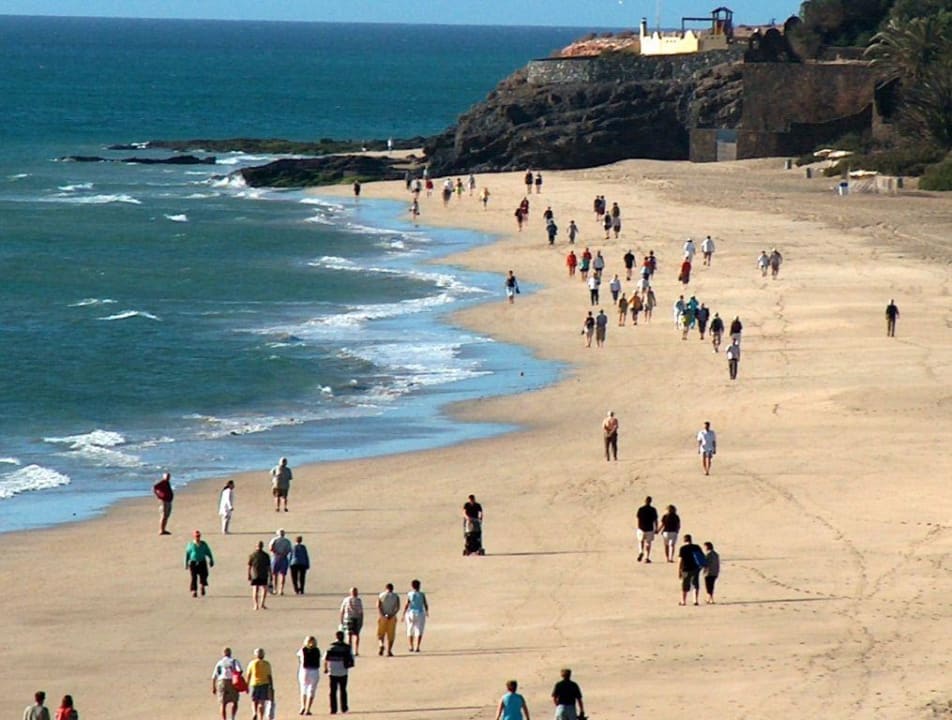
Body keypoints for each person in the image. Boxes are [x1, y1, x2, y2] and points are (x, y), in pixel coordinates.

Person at [324, 630, 355, 714]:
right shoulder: (347, 647)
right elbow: (351, 658)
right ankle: (344, 708)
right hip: (343, 671)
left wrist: (326, 668)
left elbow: (325, 659)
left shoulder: (331, 647)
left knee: (333, 691)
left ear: (336, 637)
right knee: (343, 690)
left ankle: (333, 709)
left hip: (332, 671)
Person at [212, 647, 242, 720]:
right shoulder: (234, 661)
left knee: (223, 703)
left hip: (221, 682)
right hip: (232, 681)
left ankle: (224, 718)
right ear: (230, 653)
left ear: (223, 654)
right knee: (235, 701)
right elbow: (240, 670)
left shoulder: (219, 662)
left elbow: (214, 676)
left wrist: (213, 687)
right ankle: (233, 717)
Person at [185, 529, 214, 598]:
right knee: (193, 577)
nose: (197, 537)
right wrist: (185, 563)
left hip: (202, 562)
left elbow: (208, 552)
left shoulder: (203, 544)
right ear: (194, 536)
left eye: (198, 536)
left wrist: (211, 559)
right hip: (193, 562)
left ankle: (202, 586)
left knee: (204, 575)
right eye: (196, 536)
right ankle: (194, 591)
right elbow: (187, 554)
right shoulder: (191, 545)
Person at [297, 636, 321, 716]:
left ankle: (302, 706)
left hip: (304, 670)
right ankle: (308, 709)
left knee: (303, 689)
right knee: (311, 690)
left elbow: (299, 658)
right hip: (314, 671)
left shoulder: (302, 650)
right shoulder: (317, 650)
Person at [402, 578, 429, 652]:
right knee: (419, 629)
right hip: (420, 612)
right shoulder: (422, 594)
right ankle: (417, 646)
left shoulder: (410, 594)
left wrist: (404, 613)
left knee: (410, 629)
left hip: (411, 612)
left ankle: (411, 646)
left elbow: (407, 603)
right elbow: (425, 603)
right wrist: (427, 611)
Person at [246, 648, 273, 720]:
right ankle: (261, 717)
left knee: (254, 700)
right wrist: (271, 686)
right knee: (262, 702)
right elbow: (269, 676)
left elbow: (248, 674)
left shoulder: (252, 663)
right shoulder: (266, 664)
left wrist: (247, 684)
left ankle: (254, 712)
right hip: (264, 684)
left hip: (254, 683)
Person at [678, 534, 705, 606]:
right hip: (695, 568)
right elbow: (702, 557)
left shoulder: (683, 548)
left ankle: (683, 601)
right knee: (695, 584)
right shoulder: (696, 547)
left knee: (685, 585)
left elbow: (680, 561)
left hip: (685, 569)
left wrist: (679, 571)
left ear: (684, 540)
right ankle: (695, 600)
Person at [376, 582, 401, 656]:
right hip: (392, 617)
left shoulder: (381, 595)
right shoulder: (396, 596)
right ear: (392, 589)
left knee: (380, 634)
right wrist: (392, 614)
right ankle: (389, 651)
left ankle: (381, 645)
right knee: (391, 635)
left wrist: (383, 614)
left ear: (386, 588)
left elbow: (378, 606)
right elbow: (398, 607)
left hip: (383, 617)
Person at [340, 587, 364, 656]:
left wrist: (341, 620)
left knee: (349, 635)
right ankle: (356, 650)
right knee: (356, 635)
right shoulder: (358, 600)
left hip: (348, 618)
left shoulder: (346, 600)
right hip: (356, 618)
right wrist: (361, 620)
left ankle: (350, 650)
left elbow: (342, 610)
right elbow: (361, 612)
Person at [248, 540, 271, 610]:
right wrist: (271, 574)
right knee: (264, 589)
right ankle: (262, 604)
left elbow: (249, 566)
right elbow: (268, 566)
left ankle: (256, 605)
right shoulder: (266, 555)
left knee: (255, 589)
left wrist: (248, 574)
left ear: (256, 546)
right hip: (263, 574)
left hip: (255, 574)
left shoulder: (252, 555)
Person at [269, 528, 292, 595]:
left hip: (275, 557)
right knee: (283, 574)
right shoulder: (287, 541)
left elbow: (271, 548)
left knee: (274, 574)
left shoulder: (274, 540)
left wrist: (276, 553)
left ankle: (275, 589)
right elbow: (289, 550)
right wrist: (283, 554)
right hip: (284, 558)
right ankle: (281, 589)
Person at [636, 496, 659, 563]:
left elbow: (638, 518)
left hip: (641, 528)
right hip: (649, 528)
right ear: (650, 501)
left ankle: (641, 551)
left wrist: (638, 527)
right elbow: (655, 520)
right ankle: (646, 557)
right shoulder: (653, 509)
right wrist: (656, 528)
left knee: (640, 541)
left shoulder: (641, 509)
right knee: (648, 543)